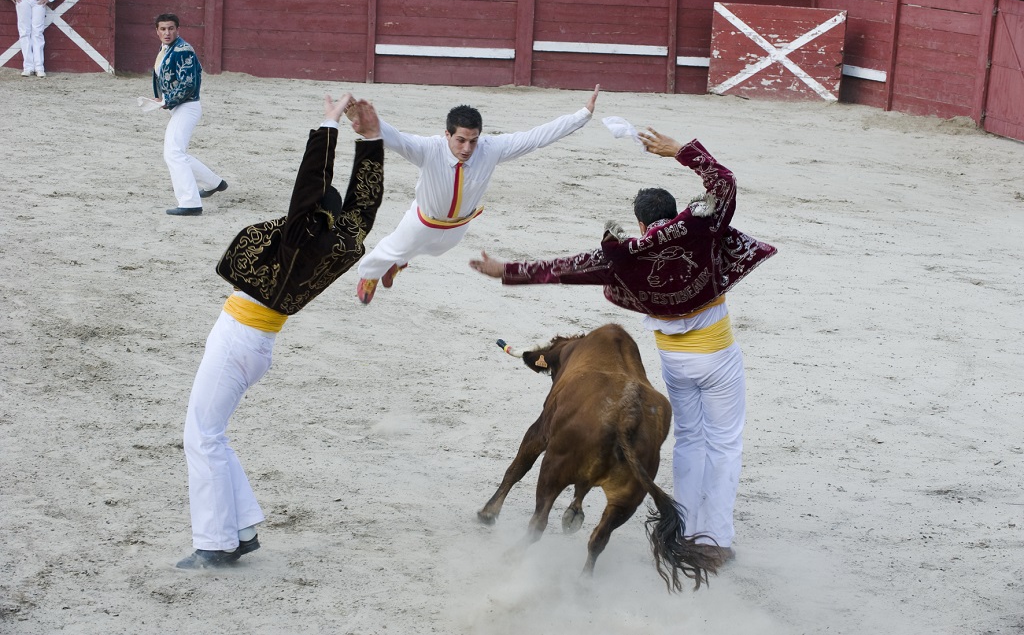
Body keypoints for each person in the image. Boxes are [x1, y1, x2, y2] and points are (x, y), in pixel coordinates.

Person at [469, 126, 777, 561]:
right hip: (718, 354)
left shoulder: (626, 258)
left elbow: (566, 269)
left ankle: (687, 527)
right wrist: (680, 151)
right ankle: (714, 538)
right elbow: (723, 182)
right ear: (674, 213)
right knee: (724, 443)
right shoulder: (701, 229)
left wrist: (507, 271)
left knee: (689, 438)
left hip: (674, 361)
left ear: (639, 223)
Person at [176, 95, 386, 570]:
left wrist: (328, 126)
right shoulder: (345, 240)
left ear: (312, 217)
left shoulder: (299, 237)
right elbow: (364, 205)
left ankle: (215, 544)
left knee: (203, 437)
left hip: (237, 339)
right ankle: (241, 527)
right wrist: (370, 141)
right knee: (209, 433)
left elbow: (310, 184)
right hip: (257, 341)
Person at [353, 84, 600, 304]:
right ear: (447, 134)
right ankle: (369, 275)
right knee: (393, 248)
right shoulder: (428, 149)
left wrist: (583, 115)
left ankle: (398, 263)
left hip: (458, 226)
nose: (467, 148)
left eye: (473, 141)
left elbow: (535, 137)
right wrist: (375, 126)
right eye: (460, 140)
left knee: (434, 249)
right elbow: (397, 139)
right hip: (422, 220)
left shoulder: (490, 149)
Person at [150, 13, 227, 216]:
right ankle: (214, 182)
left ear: (178, 29)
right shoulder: (168, 48)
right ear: (157, 31)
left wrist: (168, 100)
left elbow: (188, 84)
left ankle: (190, 202)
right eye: (163, 29)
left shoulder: (183, 50)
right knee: (177, 152)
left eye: (171, 28)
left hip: (188, 106)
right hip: (180, 106)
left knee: (173, 153)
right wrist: (161, 98)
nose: (167, 32)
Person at [1, 0, 62, 78]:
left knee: (37, 32)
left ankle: (39, 67)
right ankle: (28, 66)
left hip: (39, 0)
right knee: (25, 31)